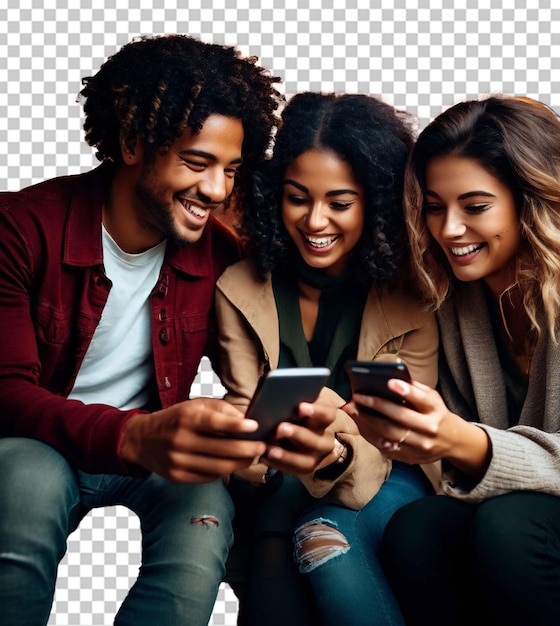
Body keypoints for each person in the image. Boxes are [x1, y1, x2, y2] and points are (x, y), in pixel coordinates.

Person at [0, 35, 337, 626]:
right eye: (196, 162)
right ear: (132, 143)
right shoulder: (19, 230)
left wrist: (269, 424)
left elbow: (254, 369)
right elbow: (5, 393)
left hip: (152, 455)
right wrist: (134, 435)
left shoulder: (219, 256)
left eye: (230, 170)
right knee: (28, 480)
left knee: (207, 501)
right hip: (38, 445)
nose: (216, 190)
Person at [348, 95, 560, 625]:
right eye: (434, 206)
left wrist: (460, 439)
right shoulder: (455, 298)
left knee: (511, 523)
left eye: (475, 207)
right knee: (416, 528)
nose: (449, 229)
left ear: (532, 200)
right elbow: (454, 462)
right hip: (517, 524)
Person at [215, 91, 439, 625]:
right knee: (275, 524)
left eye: (340, 203)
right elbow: (250, 416)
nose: (315, 221)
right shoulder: (240, 288)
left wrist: (327, 436)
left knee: (312, 539)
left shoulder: (414, 296)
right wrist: (311, 426)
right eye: (297, 197)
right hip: (278, 474)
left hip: (391, 473)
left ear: (375, 202)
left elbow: (399, 432)